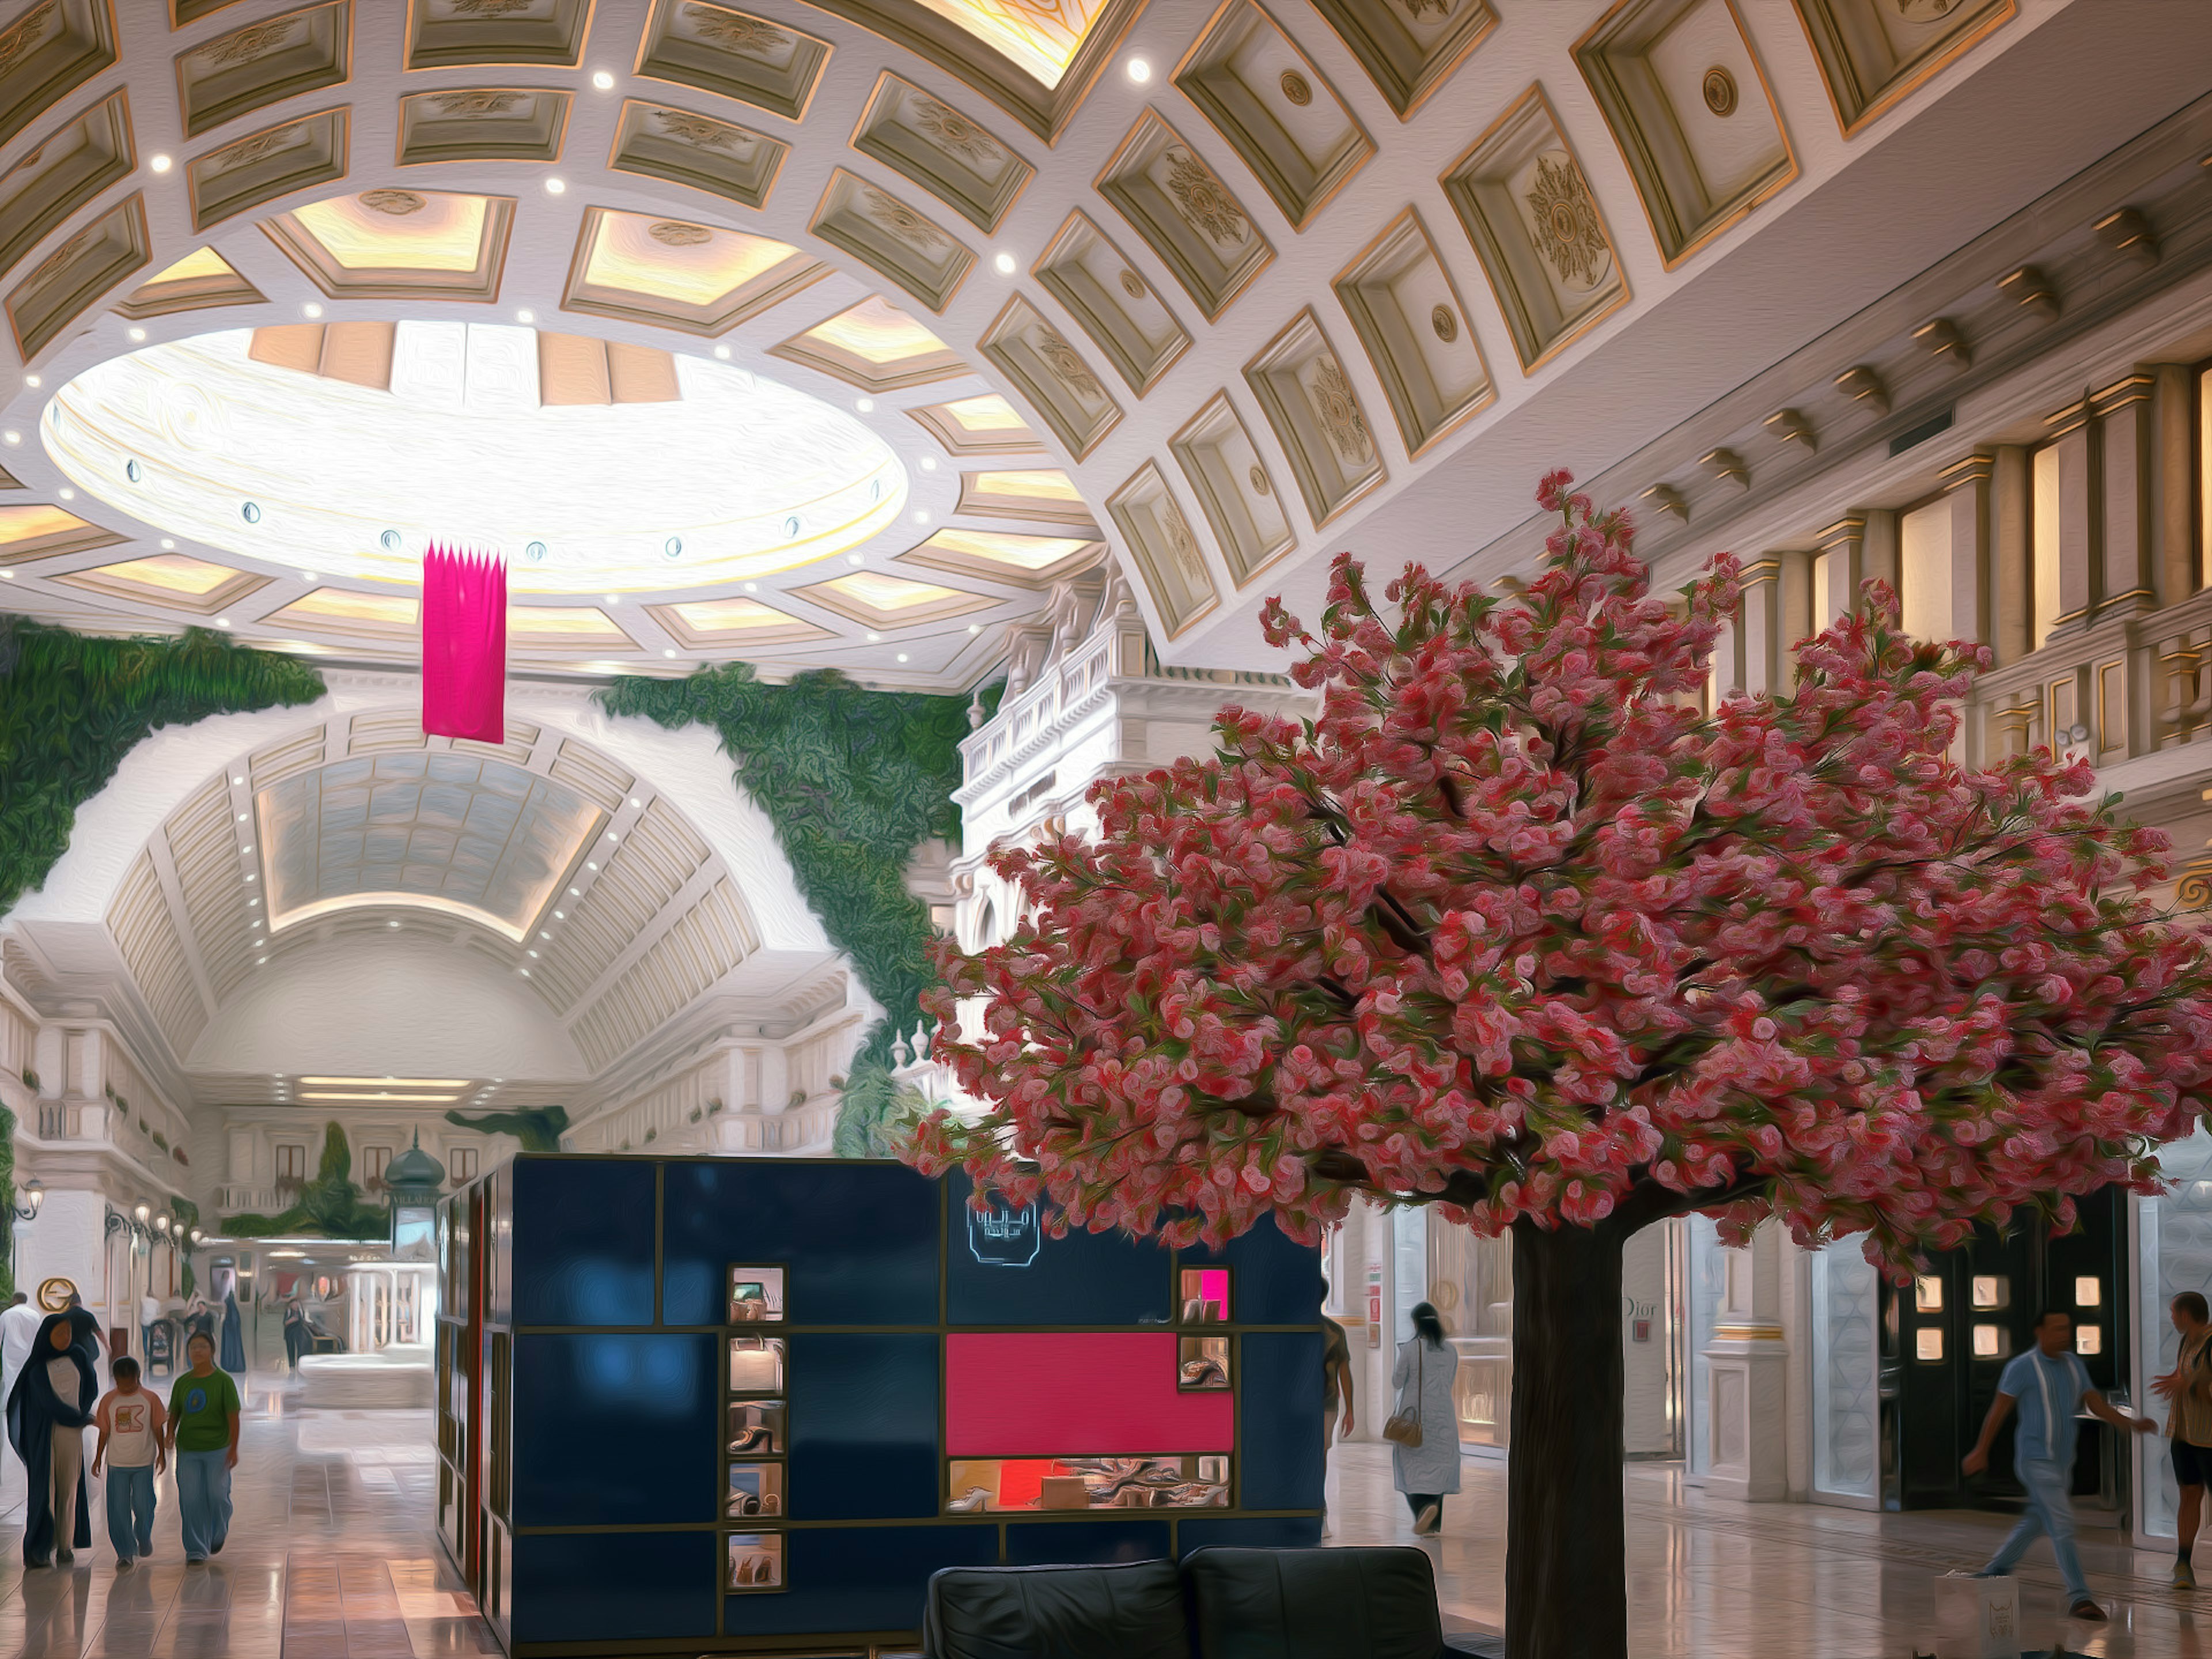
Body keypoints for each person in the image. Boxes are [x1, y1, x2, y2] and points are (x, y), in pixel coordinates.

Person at [1964, 1308, 2157, 1621]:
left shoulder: (2074, 1365)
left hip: (2062, 1463)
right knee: (2062, 1522)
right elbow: (1999, 1410)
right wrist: (1981, 1450)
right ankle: (2080, 1597)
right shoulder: (2022, 1367)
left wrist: (2131, 1424)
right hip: (2034, 1460)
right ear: (2039, 1332)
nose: (2064, 1334)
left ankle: (1994, 1573)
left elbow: (2094, 1403)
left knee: (2037, 1521)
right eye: (2057, 1329)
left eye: (2067, 1328)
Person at [5, 1306, 98, 1566]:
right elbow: (48, 1403)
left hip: (72, 1433)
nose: (66, 1337)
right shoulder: (37, 1368)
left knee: (69, 1487)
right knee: (47, 1489)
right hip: (46, 1433)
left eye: (68, 1332)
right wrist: (84, 1418)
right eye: (60, 1333)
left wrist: (82, 1412)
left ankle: (65, 1545)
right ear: (48, 1335)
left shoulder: (79, 1355)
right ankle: (40, 1547)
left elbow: (91, 1387)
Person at [164, 1330, 241, 1565]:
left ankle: (218, 1532)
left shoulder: (224, 1382)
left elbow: (233, 1417)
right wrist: (169, 1434)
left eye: (203, 1346)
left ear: (212, 1351)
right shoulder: (182, 1383)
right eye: (193, 1347)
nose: (197, 1351)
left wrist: (234, 1448)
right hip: (189, 1449)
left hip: (218, 1448)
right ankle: (196, 1549)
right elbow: (175, 1411)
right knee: (190, 1498)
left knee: (217, 1495)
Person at [2153, 1290, 2212, 1589]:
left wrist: (2189, 1384)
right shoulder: (2186, 1341)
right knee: (2189, 1496)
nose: (2172, 1318)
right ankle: (2183, 1565)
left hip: (2209, 1439)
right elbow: (2183, 1376)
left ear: (2186, 1315)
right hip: (2185, 1435)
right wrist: (2179, 1381)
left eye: (2174, 1313)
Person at [1391, 1300, 1459, 1536]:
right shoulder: (1450, 1350)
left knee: (1411, 1466)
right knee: (1438, 1467)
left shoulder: (1411, 1349)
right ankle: (1434, 1521)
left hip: (1415, 1418)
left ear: (1416, 1323)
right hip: (1444, 1416)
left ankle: (1422, 1509)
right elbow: (1449, 1380)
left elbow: (1397, 1382)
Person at [92, 1355, 165, 1569]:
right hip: (117, 1464)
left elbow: (157, 1427)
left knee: (145, 1504)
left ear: (138, 1377)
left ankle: (142, 1535)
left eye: (129, 1383)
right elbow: (104, 1431)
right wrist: (98, 1458)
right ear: (115, 1379)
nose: (124, 1387)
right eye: (120, 1383)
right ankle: (124, 1552)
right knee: (117, 1509)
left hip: (143, 1462)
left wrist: (161, 1453)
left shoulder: (150, 1399)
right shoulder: (108, 1400)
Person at [1321, 1312, 1356, 1536]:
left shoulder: (1292, 1327)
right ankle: (1319, 1507)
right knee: (1320, 1454)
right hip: (1327, 1402)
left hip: (1293, 1404)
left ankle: (1311, 1506)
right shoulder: (1335, 1331)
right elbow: (1345, 1373)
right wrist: (1350, 1410)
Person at [282, 1299, 307, 1370]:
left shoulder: (301, 1311)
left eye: (297, 1304)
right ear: (291, 1305)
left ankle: (300, 1364)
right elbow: (285, 1323)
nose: (295, 1306)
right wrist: (291, 1320)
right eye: (294, 1305)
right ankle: (292, 1365)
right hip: (290, 1332)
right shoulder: (289, 1312)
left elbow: (304, 1320)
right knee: (291, 1348)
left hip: (299, 1331)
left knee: (301, 1348)